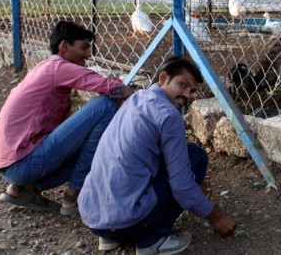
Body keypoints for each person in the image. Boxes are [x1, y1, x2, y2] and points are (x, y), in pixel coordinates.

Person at [79, 56, 236, 254]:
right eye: (183, 84)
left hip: (92, 218)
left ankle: (109, 238)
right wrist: (216, 217)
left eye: (192, 90)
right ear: (163, 78)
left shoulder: (135, 98)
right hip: (125, 224)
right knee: (196, 156)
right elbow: (182, 186)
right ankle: (151, 241)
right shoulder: (168, 115)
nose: (187, 94)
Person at [0, 20, 134, 215]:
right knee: (105, 106)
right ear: (64, 46)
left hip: (14, 163)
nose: (88, 54)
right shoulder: (58, 67)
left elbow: (66, 127)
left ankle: (21, 189)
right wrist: (143, 96)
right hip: (23, 163)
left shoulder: (45, 68)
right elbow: (107, 86)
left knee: (93, 141)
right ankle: (72, 196)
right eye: (84, 47)